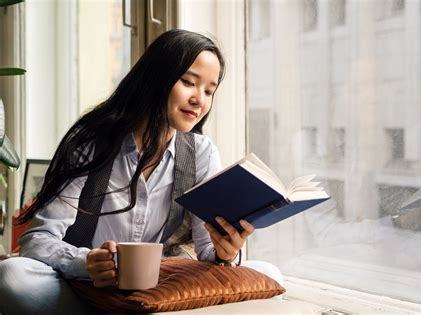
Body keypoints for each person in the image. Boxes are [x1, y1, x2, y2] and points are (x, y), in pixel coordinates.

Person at [0, 29, 280, 314]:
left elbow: (207, 252)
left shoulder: (202, 153)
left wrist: (227, 253)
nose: (200, 99)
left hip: (157, 292)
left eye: (209, 91)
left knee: (270, 273)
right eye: (188, 82)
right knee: (13, 277)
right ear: (156, 78)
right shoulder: (92, 141)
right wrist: (85, 263)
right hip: (86, 289)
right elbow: (37, 239)